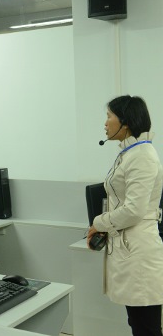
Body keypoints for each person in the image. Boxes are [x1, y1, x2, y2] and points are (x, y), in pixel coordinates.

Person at [87, 95, 163, 336]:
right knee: (138, 323)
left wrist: (99, 223)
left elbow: (134, 210)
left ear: (126, 121)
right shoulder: (130, 153)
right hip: (130, 247)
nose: (105, 123)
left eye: (109, 116)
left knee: (146, 327)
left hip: (139, 250)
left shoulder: (142, 156)